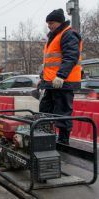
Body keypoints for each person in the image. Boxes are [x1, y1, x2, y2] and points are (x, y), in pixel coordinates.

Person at [39, 8, 82, 145]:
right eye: (48, 23)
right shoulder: (54, 36)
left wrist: (61, 76)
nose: (49, 26)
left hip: (64, 82)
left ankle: (64, 141)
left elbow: (71, 57)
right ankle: (45, 136)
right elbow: (49, 62)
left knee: (63, 112)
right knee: (45, 110)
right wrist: (43, 78)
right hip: (52, 82)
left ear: (59, 22)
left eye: (51, 23)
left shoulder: (68, 34)